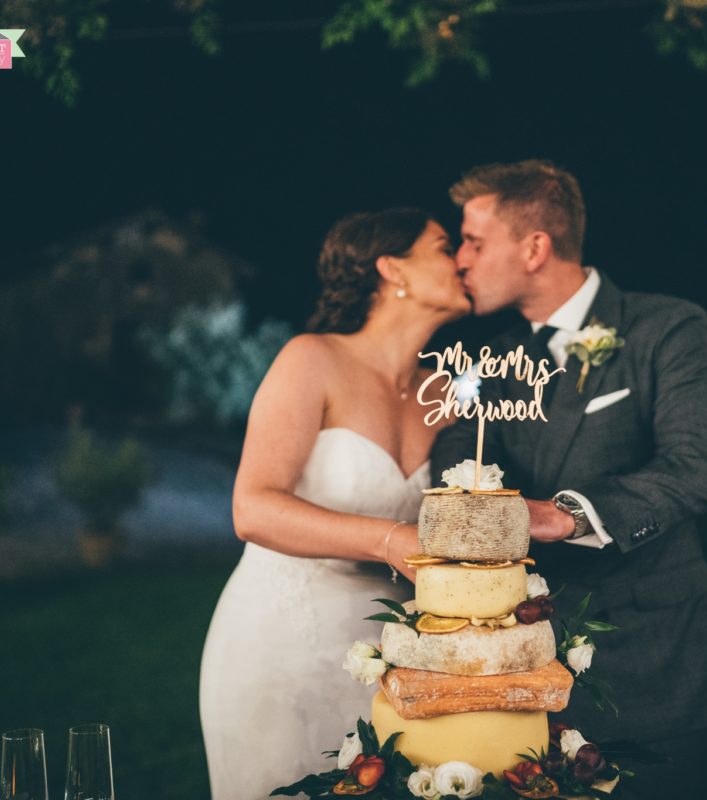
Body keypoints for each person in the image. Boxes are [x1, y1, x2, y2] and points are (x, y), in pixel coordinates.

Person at [431, 160, 707, 800]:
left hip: (657, 669)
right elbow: (455, 453)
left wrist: (562, 514)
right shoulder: (491, 357)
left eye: (475, 242)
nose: (460, 259)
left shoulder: (667, 328)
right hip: (523, 678)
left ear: (535, 247)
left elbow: (700, 468)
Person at [199, 208, 470, 800]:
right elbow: (252, 508)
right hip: (280, 643)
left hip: (392, 657)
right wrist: (391, 539)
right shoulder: (311, 358)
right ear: (392, 268)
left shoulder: (445, 393)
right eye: (446, 246)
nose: (463, 261)